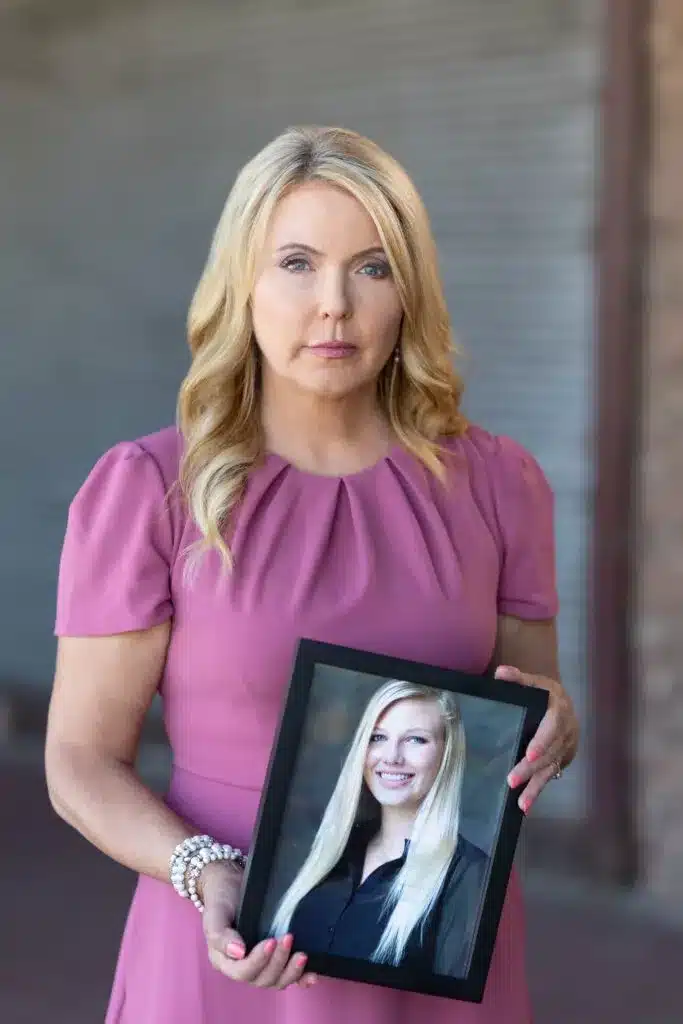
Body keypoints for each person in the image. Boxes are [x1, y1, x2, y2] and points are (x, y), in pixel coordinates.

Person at [45, 124, 580, 1024]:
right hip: (220, 955)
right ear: (242, 284)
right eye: (296, 262)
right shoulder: (150, 490)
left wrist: (555, 723)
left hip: (436, 960)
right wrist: (201, 868)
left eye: (371, 268)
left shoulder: (498, 483)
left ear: (407, 293)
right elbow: (77, 760)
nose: (333, 304)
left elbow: (531, 703)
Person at [273, 679, 488, 978]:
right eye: (378, 737)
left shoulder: (470, 876)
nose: (391, 757)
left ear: (447, 754)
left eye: (416, 740)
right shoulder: (336, 851)